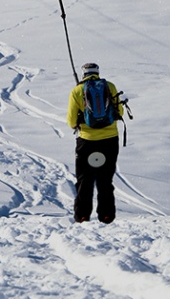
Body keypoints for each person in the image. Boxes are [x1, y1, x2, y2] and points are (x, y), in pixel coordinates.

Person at [66, 62, 124, 224]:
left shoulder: (77, 90)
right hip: (110, 140)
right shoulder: (110, 87)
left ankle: (82, 216)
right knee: (105, 179)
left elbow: (70, 120)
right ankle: (106, 216)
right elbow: (119, 112)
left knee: (85, 180)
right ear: (97, 72)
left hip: (87, 140)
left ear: (83, 73)